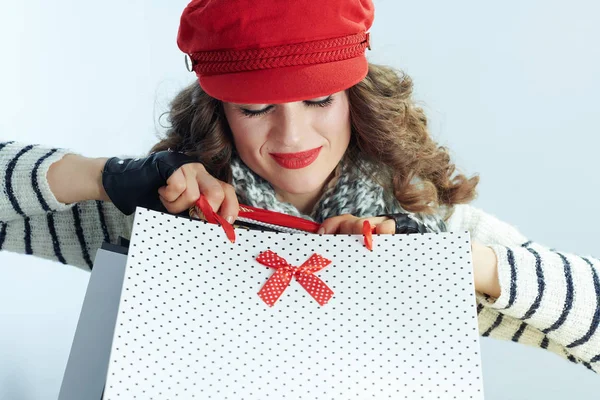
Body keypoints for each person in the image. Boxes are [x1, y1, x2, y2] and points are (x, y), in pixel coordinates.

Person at [1, 0, 598, 376]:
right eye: (257, 106)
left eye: (319, 98)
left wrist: (465, 264)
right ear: (219, 113)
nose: (292, 134)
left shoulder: (430, 230)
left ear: (358, 100)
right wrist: (100, 176)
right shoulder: (163, 220)